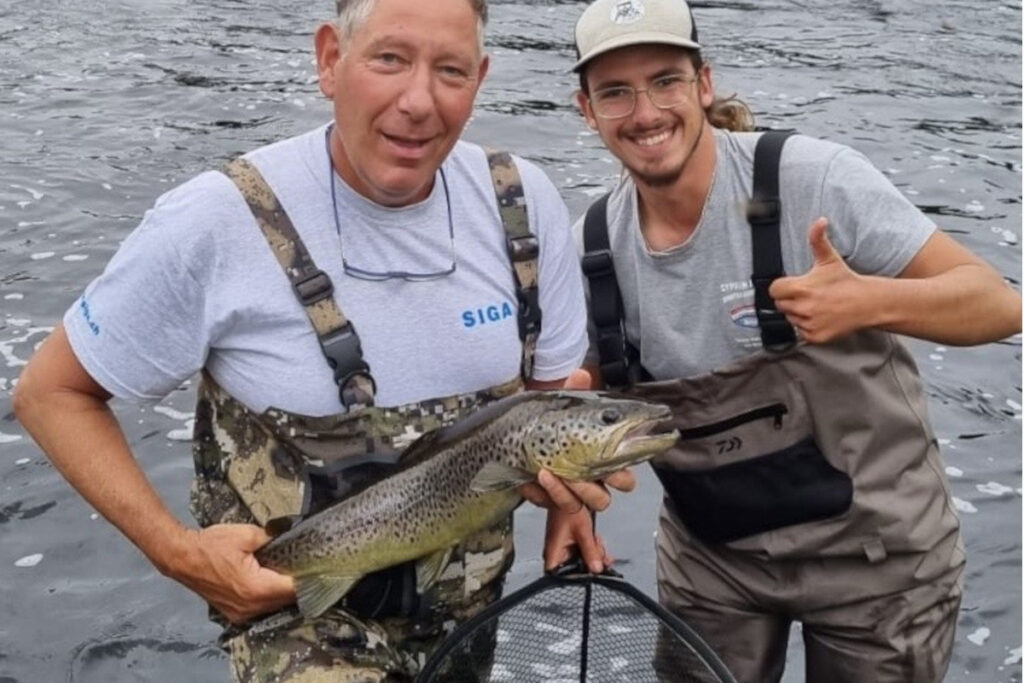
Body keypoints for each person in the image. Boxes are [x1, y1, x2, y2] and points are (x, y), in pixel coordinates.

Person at [13, 0, 630, 680]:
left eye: (450, 70)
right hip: (293, 618)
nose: (418, 101)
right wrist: (178, 553)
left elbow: (548, 405)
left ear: (480, 79)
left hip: (467, 611)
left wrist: (568, 506)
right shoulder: (217, 218)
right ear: (330, 58)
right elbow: (51, 393)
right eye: (389, 59)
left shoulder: (526, 202)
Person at [543, 0, 1024, 681]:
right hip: (712, 559)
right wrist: (570, 491)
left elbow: (1000, 305)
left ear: (704, 84)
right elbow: (577, 399)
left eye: (665, 81)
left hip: (877, 562)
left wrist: (871, 300)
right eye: (615, 92)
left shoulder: (815, 179)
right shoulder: (590, 248)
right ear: (586, 110)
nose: (645, 112)